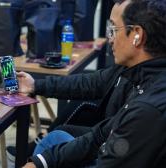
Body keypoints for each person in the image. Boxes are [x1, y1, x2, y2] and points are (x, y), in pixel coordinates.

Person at [20, 0, 166, 167]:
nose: (110, 39)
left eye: (113, 30)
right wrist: (42, 162)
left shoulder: (147, 109)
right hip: (115, 143)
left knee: (57, 139)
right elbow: (102, 133)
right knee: (55, 139)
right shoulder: (141, 76)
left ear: (137, 35)